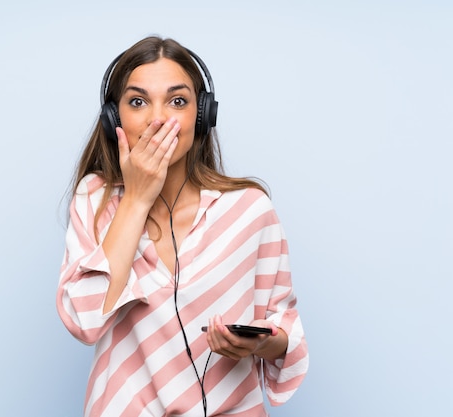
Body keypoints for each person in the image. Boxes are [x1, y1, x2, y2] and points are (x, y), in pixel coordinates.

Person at [56, 36, 308, 417]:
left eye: (178, 101)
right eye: (138, 101)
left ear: (202, 114)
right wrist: (137, 199)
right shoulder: (95, 200)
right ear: (115, 119)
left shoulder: (249, 210)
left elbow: (284, 330)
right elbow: (84, 320)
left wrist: (256, 344)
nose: (158, 118)